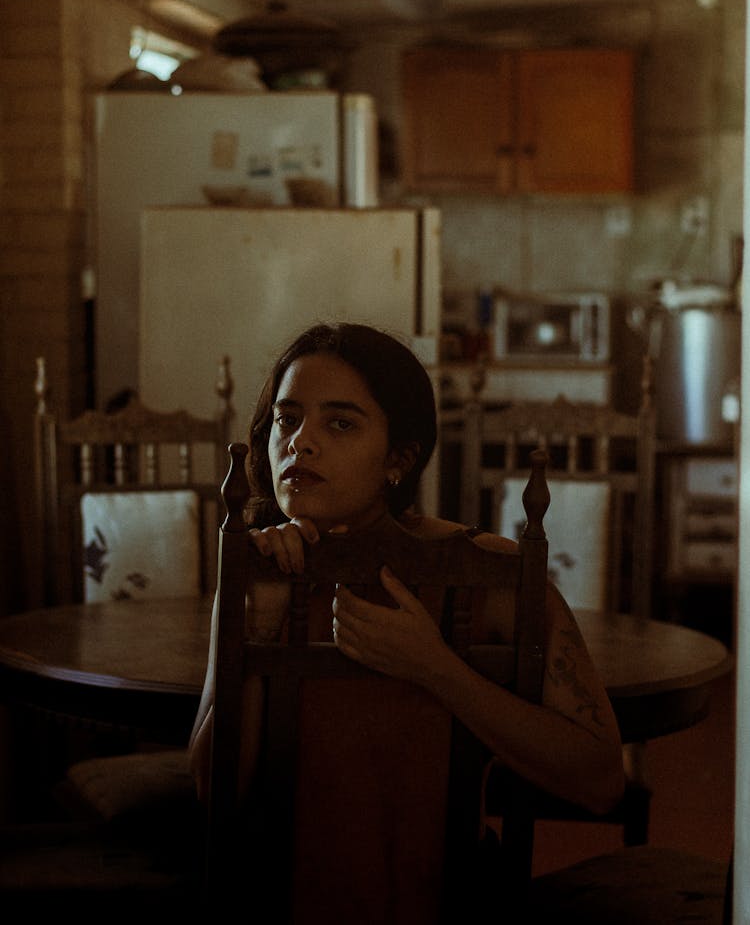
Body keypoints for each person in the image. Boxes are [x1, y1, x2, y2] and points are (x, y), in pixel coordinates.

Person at [189, 322, 624, 919]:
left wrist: (437, 669)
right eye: (287, 419)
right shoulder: (258, 574)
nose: (301, 442)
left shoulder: (485, 574)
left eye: (339, 422)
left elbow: (602, 779)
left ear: (399, 459)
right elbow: (212, 797)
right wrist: (256, 627)